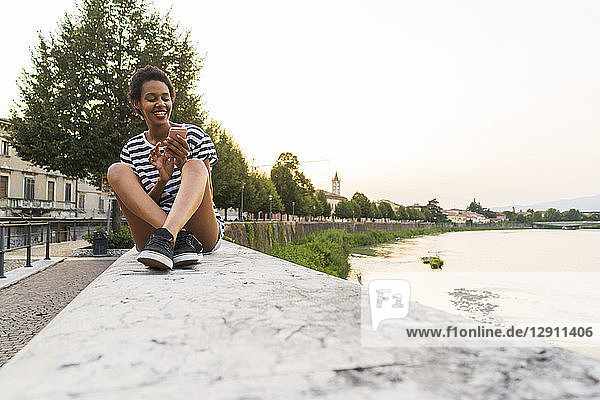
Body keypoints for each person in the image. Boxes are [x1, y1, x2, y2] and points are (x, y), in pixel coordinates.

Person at [107, 65, 223, 270]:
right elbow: (142, 207)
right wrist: (162, 180)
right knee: (116, 170)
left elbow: (208, 196)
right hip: (153, 236)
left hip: (200, 232)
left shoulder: (194, 136)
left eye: (165, 98)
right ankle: (174, 237)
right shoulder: (131, 149)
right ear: (137, 104)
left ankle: (170, 234)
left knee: (195, 165)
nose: (160, 104)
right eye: (151, 99)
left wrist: (182, 165)